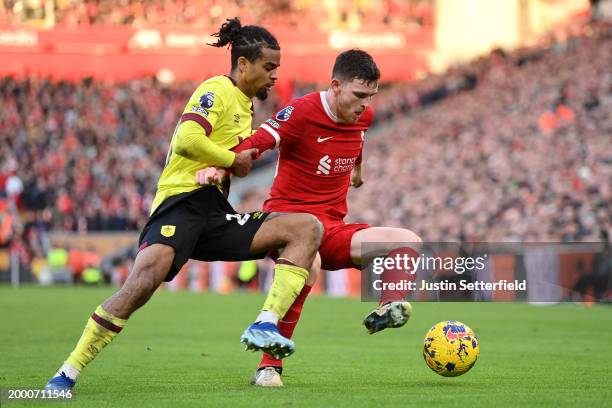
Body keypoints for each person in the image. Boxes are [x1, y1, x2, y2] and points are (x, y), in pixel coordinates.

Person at [44, 18, 324, 392]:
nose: (274, 76)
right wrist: (231, 160)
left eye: (277, 69)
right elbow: (186, 140)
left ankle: (265, 323)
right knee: (141, 285)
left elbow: (221, 161)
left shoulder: (243, 105)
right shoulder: (217, 89)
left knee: (306, 227)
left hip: (215, 212)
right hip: (180, 204)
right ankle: (67, 372)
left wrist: (229, 167)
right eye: (269, 67)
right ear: (243, 64)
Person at [197, 49, 422, 387]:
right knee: (310, 262)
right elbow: (259, 141)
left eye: (370, 97)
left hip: (332, 227)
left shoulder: (363, 116)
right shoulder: (302, 111)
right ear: (335, 86)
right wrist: (220, 163)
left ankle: (389, 307)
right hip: (288, 224)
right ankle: (267, 367)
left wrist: (358, 172)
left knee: (408, 241)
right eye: (358, 95)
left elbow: (356, 140)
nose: (364, 104)